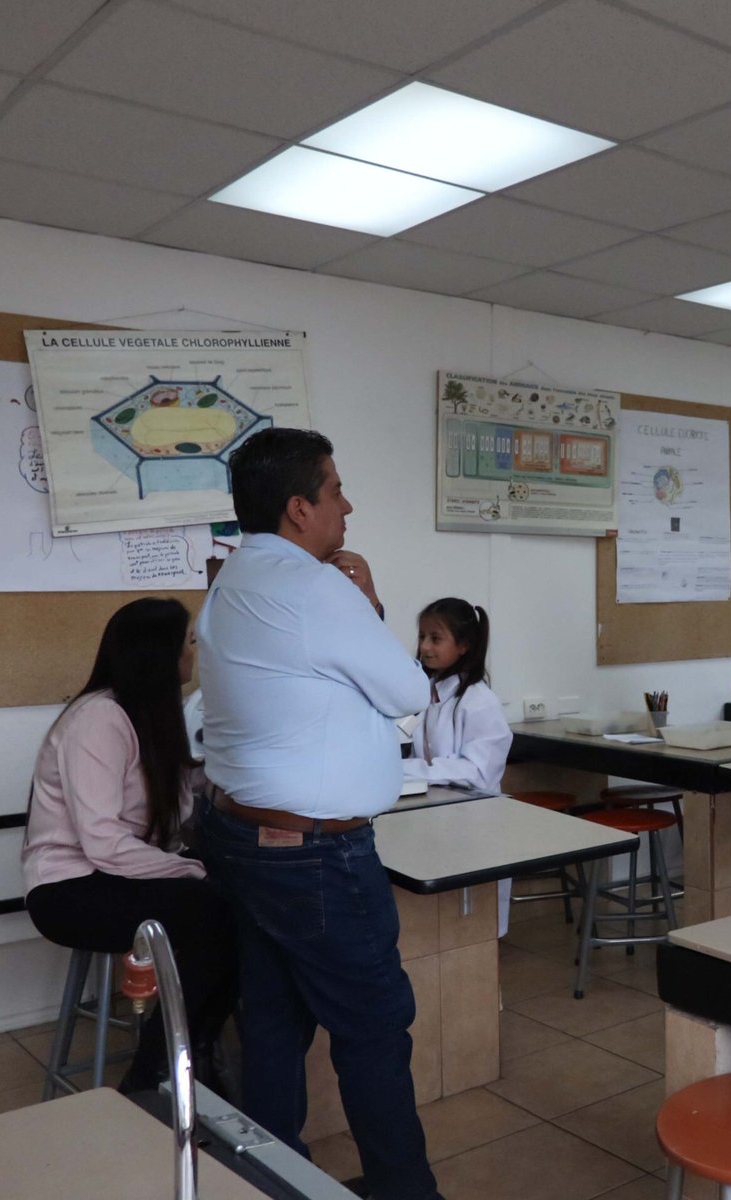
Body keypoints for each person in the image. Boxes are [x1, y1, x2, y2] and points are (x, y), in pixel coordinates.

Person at [195, 427, 439, 1200]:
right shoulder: (319, 589)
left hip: (241, 837)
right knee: (374, 1030)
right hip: (315, 857)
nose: (347, 506)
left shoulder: (231, 579)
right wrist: (369, 603)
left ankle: (274, 1180)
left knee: (271, 1020)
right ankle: (405, 1192)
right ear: (300, 508)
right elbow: (410, 691)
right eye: (335, 491)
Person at [22, 597, 236, 1095]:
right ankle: (153, 1074)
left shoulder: (149, 715)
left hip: (116, 872)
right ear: (158, 654)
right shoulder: (98, 719)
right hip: (67, 889)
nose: (194, 653)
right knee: (211, 910)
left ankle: (193, 1051)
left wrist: (237, 774)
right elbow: (103, 842)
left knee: (240, 902)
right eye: (188, 643)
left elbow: (182, 793)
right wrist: (188, 870)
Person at [408, 597, 513, 934]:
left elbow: (477, 772)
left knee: (474, 924)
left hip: (475, 824)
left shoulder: (478, 701)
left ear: (464, 645)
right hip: (439, 817)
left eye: (435, 638)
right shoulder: (430, 692)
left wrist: (411, 772)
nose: (424, 647)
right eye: (422, 637)